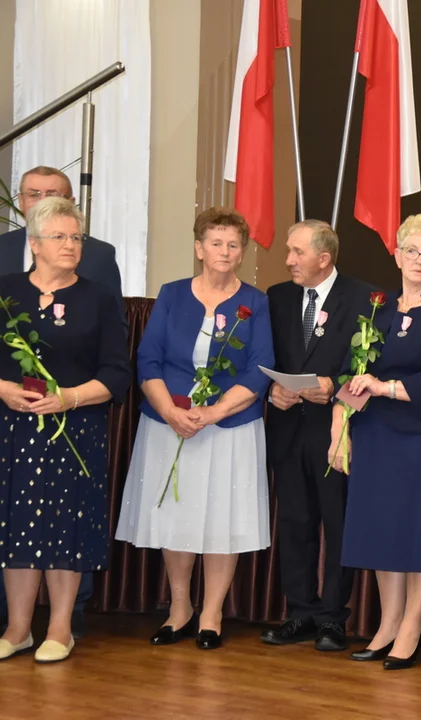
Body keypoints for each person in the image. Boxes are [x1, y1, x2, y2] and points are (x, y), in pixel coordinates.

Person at [114, 207, 275, 650]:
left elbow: (260, 371)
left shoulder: (256, 303)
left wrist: (213, 413)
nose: (224, 251)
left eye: (233, 244)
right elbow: (148, 360)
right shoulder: (171, 294)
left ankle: (212, 612)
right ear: (198, 248)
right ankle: (180, 607)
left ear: (242, 251)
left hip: (230, 428)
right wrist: (170, 411)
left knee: (223, 518)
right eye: (216, 242)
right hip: (169, 424)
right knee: (177, 518)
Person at [332, 213, 421, 670]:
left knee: (418, 531)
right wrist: (341, 423)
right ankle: (387, 624)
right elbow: (351, 369)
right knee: (382, 531)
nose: (420, 260)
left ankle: (411, 627)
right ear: (397, 254)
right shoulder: (377, 308)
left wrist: (386, 388)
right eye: (412, 250)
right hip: (375, 433)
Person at [0, 197, 129, 662]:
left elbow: (117, 373)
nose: (71, 245)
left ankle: (59, 628)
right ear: (34, 244)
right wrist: (4, 389)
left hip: (75, 430)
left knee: (65, 529)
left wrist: (71, 397)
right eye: (60, 237)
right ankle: (18, 629)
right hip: (14, 430)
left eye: (76, 237)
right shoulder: (6, 291)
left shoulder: (98, 297)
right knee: (16, 529)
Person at [261, 220, 379, 652]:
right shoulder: (277, 297)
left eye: (296, 252)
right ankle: (301, 612)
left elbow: (371, 364)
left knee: (338, 523)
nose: (288, 260)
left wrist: (335, 385)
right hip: (288, 428)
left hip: (336, 433)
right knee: (294, 523)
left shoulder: (366, 298)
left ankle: (333, 618)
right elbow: (264, 355)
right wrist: (273, 392)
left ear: (323, 259)